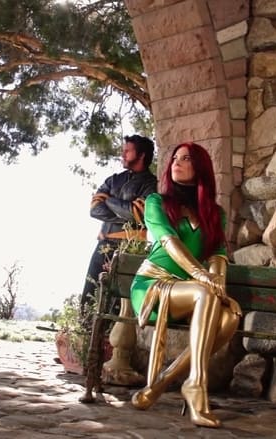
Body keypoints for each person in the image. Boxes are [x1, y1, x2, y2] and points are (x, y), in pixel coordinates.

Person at [129, 142, 241, 428]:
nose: (176, 163)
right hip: (152, 285)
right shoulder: (156, 202)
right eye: (175, 158)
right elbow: (170, 243)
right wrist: (203, 277)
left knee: (230, 316)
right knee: (205, 292)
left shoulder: (215, 213)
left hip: (191, 291)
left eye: (186, 158)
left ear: (200, 167)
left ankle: (162, 382)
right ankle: (196, 384)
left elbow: (217, 257)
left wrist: (220, 287)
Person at [82, 134, 157, 316]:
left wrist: (110, 201)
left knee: (116, 303)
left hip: (130, 248)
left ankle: (109, 336)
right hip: (103, 245)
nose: (122, 154)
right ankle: (84, 332)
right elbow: (94, 209)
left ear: (141, 155)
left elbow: (138, 214)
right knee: (90, 294)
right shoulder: (113, 180)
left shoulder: (151, 184)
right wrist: (126, 214)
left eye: (127, 151)